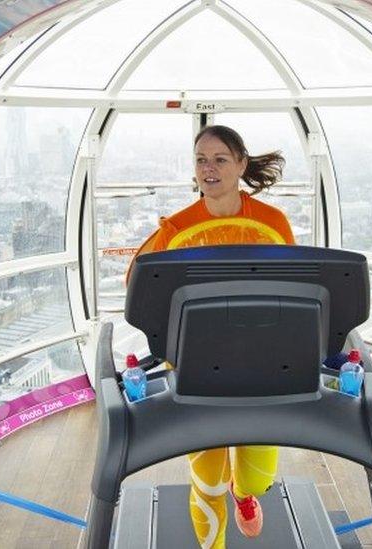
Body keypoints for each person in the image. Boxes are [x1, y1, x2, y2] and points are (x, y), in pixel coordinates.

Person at [129, 125, 294, 548]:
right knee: (207, 480)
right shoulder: (176, 228)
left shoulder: (273, 223)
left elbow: (295, 290)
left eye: (220, 159)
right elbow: (141, 285)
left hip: (260, 360)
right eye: (201, 159)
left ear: (241, 164)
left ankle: (246, 496)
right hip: (195, 362)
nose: (209, 168)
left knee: (256, 476)